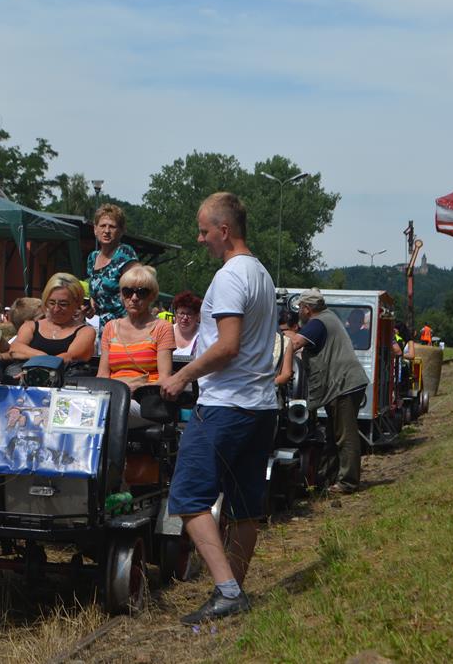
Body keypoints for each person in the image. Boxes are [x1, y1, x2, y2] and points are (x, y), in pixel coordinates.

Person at [159, 192, 278, 625]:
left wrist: (182, 377)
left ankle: (227, 591)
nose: (200, 238)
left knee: (187, 496)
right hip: (261, 406)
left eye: (204, 231)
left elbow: (227, 347)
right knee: (245, 506)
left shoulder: (230, 277)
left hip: (226, 405)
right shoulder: (261, 274)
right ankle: (235, 591)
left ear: (224, 231)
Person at [287, 288, 369, 495]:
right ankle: (328, 479)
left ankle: (348, 482)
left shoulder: (318, 323)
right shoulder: (328, 317)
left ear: (307, 309)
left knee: (345, 435)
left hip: (344, 385)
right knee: (333, 435)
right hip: (344, 384)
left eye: (300, 308)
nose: (299, 312)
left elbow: (295, 343)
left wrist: (281, 344)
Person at [97, 265, 174, 427]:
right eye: (128, 292)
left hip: (145, 401)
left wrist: (134, 390)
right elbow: (102, 375)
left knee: (111, 410)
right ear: (121, 295)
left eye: (141, 292)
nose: (134, 298)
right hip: (114, 395)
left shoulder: (162, 327)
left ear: (152, 296)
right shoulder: (110, 327)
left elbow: (164, 378)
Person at [9, 273, 95, 363]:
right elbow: (15, 348)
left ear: (76, 303)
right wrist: (43, 357)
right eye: (52, 303)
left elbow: (71, 356)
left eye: (63, 304)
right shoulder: (30, 326)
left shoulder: (86, 332)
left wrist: (37, 358)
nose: (56, 309)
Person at [87, 203, 139, 327]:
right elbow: (95, 294)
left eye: (112, 227)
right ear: (95, 229)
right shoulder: (92, 258)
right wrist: (90, 306)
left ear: (121, 231)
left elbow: (140, 290)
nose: (106, 231)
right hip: (100, 327)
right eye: (102, 226)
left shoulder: (125, 254)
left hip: (124, 325)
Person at [171, 290, 202, 356]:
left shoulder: (203, 334)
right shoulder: (168, 332)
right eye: (182, 313)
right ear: (176, 314)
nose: (185, 317)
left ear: (197, 316)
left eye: (189, 314)